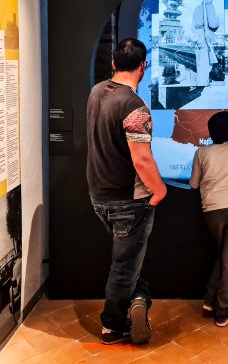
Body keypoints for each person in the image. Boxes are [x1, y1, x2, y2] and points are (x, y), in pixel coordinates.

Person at [86, 38, 167, 345]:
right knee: (124, 266)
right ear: (143, 67)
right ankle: (112, 326)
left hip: (99, 195)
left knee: (129, 259)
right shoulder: (135, 107)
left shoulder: (96, 92)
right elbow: (141, 159)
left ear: (113, 63)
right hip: (129, 200)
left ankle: (139, 301)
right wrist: (159, 190)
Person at [189, 111, 228, 327]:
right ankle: (223, 312)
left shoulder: (201, 153)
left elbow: (194, 184)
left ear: (209, 130)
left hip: (212, 211)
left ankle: (209, 301)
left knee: (223, 255)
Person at [191, 0, 219, 85]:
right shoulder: (209, 6)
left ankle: (201, 81)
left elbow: (192, 28)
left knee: (200, 61)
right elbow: (213, 24)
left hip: (198, 37)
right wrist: (217, 20)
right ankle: (202, 83)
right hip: (206, 36)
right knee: (206, 63)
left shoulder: (196, 9)